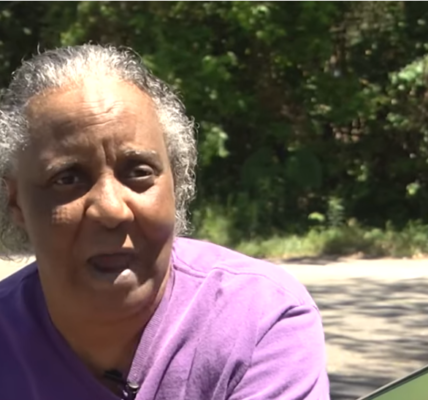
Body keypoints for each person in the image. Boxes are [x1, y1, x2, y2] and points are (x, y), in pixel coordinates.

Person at [0, 44, 330, 400]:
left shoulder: (260, 319)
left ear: (176, 182)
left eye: (138, 172)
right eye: (68, 178)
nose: (112, 210)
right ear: (15, 201)